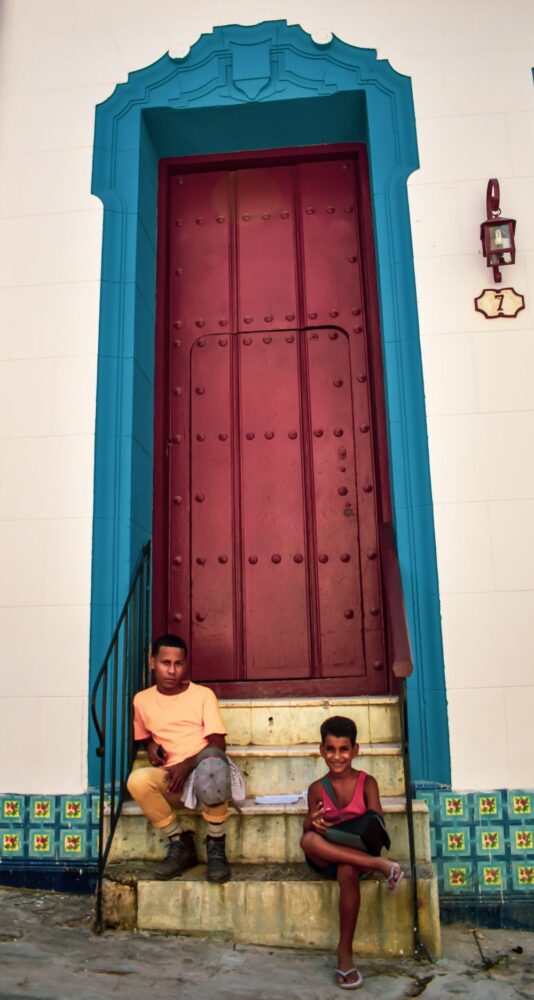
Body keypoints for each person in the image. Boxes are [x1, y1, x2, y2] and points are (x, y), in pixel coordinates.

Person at [300, 716, 404, 991]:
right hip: (327, 854)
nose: (337, 756)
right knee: (308, 840)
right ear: (321, 750)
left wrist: (357, 830)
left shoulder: (367, 783)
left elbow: (377, 824)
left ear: (355, 750)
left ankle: (344, 953)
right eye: (330, 749)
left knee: (348, 871)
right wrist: (315, 820)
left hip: (356, 857)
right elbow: (308, 825)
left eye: (344, 749)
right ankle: (380, 865)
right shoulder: (317, 788)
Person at [127, 634, 236, 883]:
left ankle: (216, 844)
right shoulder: (142, 700)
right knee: (137, 781)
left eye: (179, 664)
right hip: (172, 781)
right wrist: (150, 744)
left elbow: (219, 743)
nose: (172, 670)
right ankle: (180, 842)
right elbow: (144, 735)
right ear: (152, 662)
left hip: (202, 773)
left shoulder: (202, 695)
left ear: (185, 665)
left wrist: (187, 766)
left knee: (214, 765)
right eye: (166, 663)